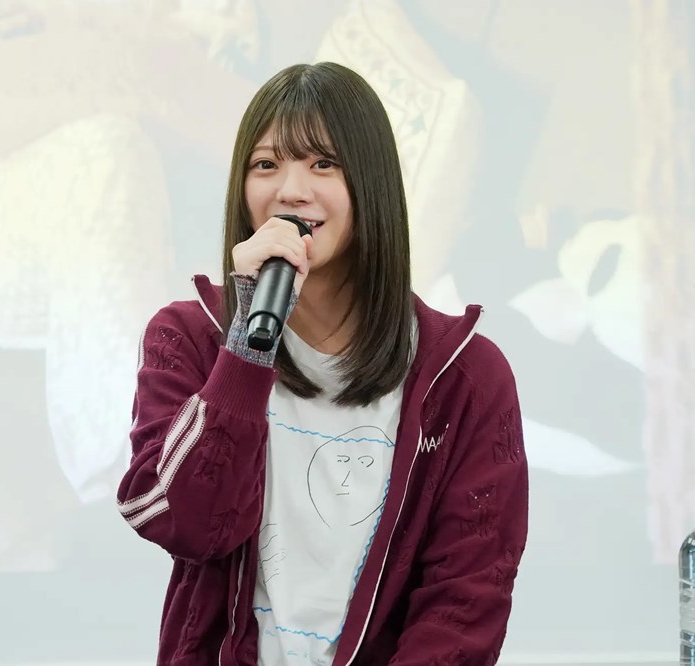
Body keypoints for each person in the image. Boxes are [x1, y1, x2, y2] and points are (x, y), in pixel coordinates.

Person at [117, 61, 528, 666]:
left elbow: (468, 596)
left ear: (371, 183)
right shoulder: (191, 339)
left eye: (322, 164)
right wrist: (246, 347)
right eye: (266, 164)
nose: (291, 190)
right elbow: (185, 523)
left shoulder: (465, 376)